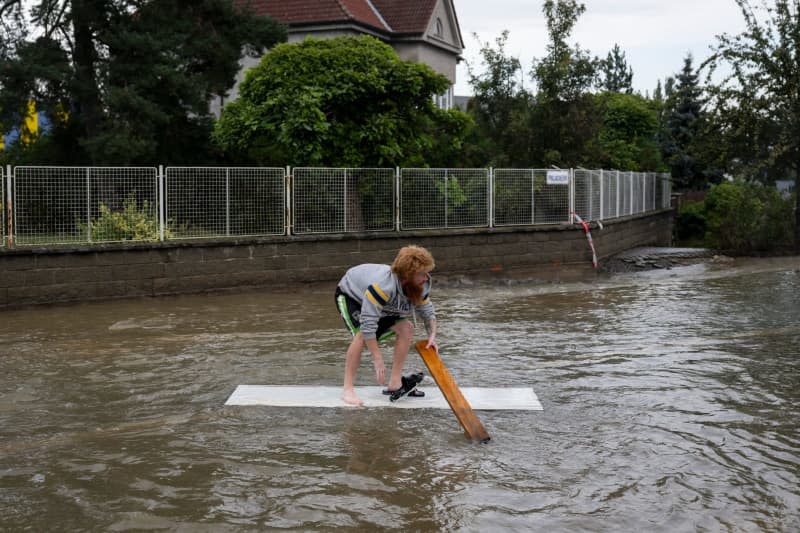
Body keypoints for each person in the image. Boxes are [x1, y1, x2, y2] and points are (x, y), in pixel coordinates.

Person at [334, 245, 438, 406]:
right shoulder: (383, 287)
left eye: (427, 272)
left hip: (381, 302)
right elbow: (369, 325)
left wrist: (432, 335)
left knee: (406, 328)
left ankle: (395, 383)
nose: (426, 277)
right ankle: (347, 389)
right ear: (407, 276)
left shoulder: (419, 284)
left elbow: (427, 310)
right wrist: (377, 358)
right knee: (362, 335)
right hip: (351, 295)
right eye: (422, 274)